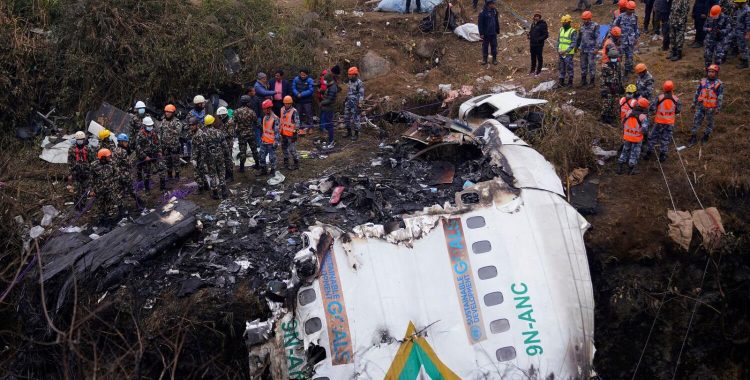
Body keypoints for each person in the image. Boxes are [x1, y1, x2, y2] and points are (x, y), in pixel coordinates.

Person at [644, 80, 681, 162]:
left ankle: (648, 153)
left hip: (659, 122)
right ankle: (662, 155)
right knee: (665, 139)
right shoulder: (676, 99)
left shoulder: (659, 97)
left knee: (653, 137)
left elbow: (652, 108)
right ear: (672, 88)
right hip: (669, 123)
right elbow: (678, 110)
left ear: (664, 88)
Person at [690, 64, 723, 145]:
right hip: (701, 106)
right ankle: (693, 137)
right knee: (696, 121)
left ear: (716, 73)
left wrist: (718, 108)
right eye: (709, 71)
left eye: (713, 72)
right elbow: (697, 93)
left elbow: (720, 97)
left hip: (711, 108)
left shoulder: (719, 84)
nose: (710, 73)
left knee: (710, 122)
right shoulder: (703, 81)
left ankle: (706, 135)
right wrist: (693, 104)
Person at [617, 97, 650, 174]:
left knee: (625, 150)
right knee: (634, 153)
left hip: (627, 136)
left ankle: (619, 167)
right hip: (636, 138)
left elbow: (623, 122)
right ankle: (631, 169)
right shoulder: (643, 117)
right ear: (645, 107)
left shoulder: (629, 112)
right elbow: (645, 129)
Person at [90, 149, 123, 223]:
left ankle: (114, 218)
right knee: (101, 206)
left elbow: (117, 174)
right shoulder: (94, 165)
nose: (109, 158)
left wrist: (112, 181)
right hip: (99, 190)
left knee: (112, 203)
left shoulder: (112, 163)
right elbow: (91, 179)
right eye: (108, 156)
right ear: (103, 157)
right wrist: (92, 190)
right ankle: (103, 220)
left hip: (111, 188)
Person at [134, 116, 164, 193]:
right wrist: (145, 156)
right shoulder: (140, 135)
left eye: (151, 126)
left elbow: (158, 142)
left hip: (155, 154)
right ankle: (147, 190)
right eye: (148, 126)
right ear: (144, 126)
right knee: (147, 173)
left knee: (162, 169)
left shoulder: (153, 132)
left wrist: (160, 151)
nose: (150, 127)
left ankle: (162, 188)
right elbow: (138, 148)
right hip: (146, 157)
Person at [202, 115, 229, 199]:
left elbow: (203, 148)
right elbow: (224, 145)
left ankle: (215, 193)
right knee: (221, 171)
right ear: (213, 122)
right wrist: (227, 155)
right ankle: (224, 191)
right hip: (219, 155)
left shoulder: (203, 135)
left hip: (210, 157)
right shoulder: (219, 132)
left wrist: (203, 158)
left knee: (212, 174)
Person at [234, 95, 261, 173]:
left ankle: (242, 168)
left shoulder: (236, 112)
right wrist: (264, 129)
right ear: (248, 103)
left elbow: (233, 123)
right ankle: (257, 164)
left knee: (243, 151)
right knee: (254, 150)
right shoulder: (251, 112)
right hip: (251, 134)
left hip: (241, 135)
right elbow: (257, 123)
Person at [68, 131, 94, 209]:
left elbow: (92, 160)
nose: (80, 141)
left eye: (81, 139)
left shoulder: (88, 149)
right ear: (76, 140)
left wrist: (91, 171)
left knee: (84, 190)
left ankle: (83, 205)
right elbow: (69, 162)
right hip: (76, 173)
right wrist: (70, 173)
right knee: (76, 190)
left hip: (86, 173)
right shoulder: (72, 149)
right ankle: (76, 205)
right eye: (78, 139)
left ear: (84, 139)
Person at [614, 1, 640, 75]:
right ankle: (618, 71)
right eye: (630, 9)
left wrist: (636, 37)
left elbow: (636, 28)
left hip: (630, 41)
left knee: (629, 56)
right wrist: (616, 38)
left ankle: (627, 71)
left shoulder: (635, 17)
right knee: (619, 56)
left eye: (632, 9)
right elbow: (614, 27)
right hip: (621, 40)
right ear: (626, 8)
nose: (631, 11)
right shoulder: (620, 16)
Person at [113, 133, 138, 210]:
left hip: (117, 175)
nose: (127, 143)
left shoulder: (114, 150)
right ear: (121, 142)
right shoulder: (123, 152)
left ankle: (121, 210)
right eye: (125, 142)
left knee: (119, 193)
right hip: (125, 175)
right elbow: (128, 164)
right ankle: (139, 204)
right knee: (131, 190)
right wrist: (133, 159)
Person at [600, 47, 625, 124]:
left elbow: (620, 76)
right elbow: (602, 79)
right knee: (607, 103)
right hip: (608, 88)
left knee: (615, 103)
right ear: (609, 58)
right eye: (612, 58)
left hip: (616, 87)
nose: (614, 59)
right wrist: (603, 90)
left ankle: (611, 117)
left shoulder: (618, 65)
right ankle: (604, 117)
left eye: (615, 58)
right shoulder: (605, 67)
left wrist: (621, 86)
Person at [160, 104, 183, 181]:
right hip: (165, 146)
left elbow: (178, 131)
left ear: (173, 113)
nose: (167, 113)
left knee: (176, 161)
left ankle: (177, 175)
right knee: (167, 161)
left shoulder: (177, 122)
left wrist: (170, 129)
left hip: (174, 145)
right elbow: (160, 132)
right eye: (166, 112)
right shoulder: (163, 121)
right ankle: (169, 175)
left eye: (169, 112)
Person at [258, 100, 280, 175]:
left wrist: (276, 142)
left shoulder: (275, 118)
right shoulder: (265, 117)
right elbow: (264, 129)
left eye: (265, 109)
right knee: (261, 156)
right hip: (264, 141)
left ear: (269, 108)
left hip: (271, 142)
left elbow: (277, 131)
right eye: (263, 109)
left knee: (272, 158)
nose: (263, 110)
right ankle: (263, 170)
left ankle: (273, 170)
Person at [578, 11, 600, 85]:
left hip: (592, 49)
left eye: (586, 19)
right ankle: (583, 80)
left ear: (590, 19)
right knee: (583, 65)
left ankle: (592, 81)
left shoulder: (595, 26)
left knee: (591, 65)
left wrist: (597, 48)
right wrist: (577, 46)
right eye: (583, 19)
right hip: (583, 49)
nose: (584, 21)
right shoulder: (582, 26)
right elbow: (579, 37)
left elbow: (598, 38)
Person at [279, 96, 301, 170]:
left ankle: (296, 163)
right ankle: (286, 162)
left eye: (288, 103)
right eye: (286, 103)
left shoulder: (294, 111)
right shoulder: (282, 109)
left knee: (292, 149)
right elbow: (281, 120)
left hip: (291, 134)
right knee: (284, 147)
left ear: (291, 103)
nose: (287, 105)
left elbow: (297, 123)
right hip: (284, 133)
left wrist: (295, 133)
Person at [344, 67, 365, 140]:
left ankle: (356, 134)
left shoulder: (359, 83)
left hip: (355, 104)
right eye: (348, 74)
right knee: (346, 118)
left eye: (350, 74)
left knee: (356, 119)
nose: (349, 76)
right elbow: (349, 91)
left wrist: (360, 104)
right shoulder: (349, 81)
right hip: (348, 102)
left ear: (355, 75)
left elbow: (361, 95)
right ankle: (348, 132)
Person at [189, 117, 209, 192]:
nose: (191, 126)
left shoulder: (199, 134)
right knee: (201, 172)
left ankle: (200, 188)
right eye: (190, 125)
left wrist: (195, 159)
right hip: (199, 157)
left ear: (197, 125)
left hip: (200, 157)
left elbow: (200, 148)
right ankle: (206, 186)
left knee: (197, 174)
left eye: (193, 125)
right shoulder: (194, 132)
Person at [557, 15, 578, 87]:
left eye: (564, 22)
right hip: (560, 52)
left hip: (568, 53)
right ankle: (561, 81)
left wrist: (566, 51)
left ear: (568, 22)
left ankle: (570, 82)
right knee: (561, 67)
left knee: (569, 67)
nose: (562, 24)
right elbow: (558, 40)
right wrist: (558, 48)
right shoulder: (561, 29)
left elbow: (573, 43)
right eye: (562, 22)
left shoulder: (573, 31)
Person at [215, 106, 235, 181]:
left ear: (223, 115)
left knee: (228, 159)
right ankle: (227, 174)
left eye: (220, 116)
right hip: (224, 143)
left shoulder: (230, 122)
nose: (219, 118)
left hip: (228, 143)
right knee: (225, 159)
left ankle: (231, 176)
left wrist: (220, 136)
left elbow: (230, 134)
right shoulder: (224, 122)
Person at [319, 73, 339, 148]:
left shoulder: (333, 88)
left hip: (329, 108)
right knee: (327, 125)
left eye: (325, 80)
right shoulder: (330, 86)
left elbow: (330, 100)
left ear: (329, 80)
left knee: (329, 125)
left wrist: (322, 103)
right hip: (326, 108)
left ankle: (331, 141)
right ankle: (330, 140)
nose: (324, 81)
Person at [478, 0, 500, 65]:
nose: (494, 5)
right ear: (489, 4)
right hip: (486, 33)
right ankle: (484, 59)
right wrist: (481, 33)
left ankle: (494, 59)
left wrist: (497, 30)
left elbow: (496, 21)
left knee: (494, 46)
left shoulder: (494, 11)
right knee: (485, 46)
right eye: (493, 3)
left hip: (493, 33)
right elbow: (480, 24)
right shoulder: (483, 13)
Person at [528, 11, 549, 77]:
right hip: (532, 44)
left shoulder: (543, 24)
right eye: (535, 16)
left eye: (537, 16)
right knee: (533, 58)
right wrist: (529, 35)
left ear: (540, 17)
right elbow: (531, 32)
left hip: (539, 45)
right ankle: (532, 70)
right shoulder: (533, 24)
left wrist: (539, 39)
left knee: (539, 57)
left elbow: (546, 35)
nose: (536, 17)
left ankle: (538, 71)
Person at [730, 0, 749, 68]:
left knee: (743, 47)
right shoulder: (740, 9)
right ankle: (743, 58)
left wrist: (747, 34)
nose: (735, 4)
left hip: (743, 32)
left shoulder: (747, 11)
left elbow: (748, 24)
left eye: (736, 3)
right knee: (741, 46)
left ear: (741, 3)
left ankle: (745, 62)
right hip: (738, 31)